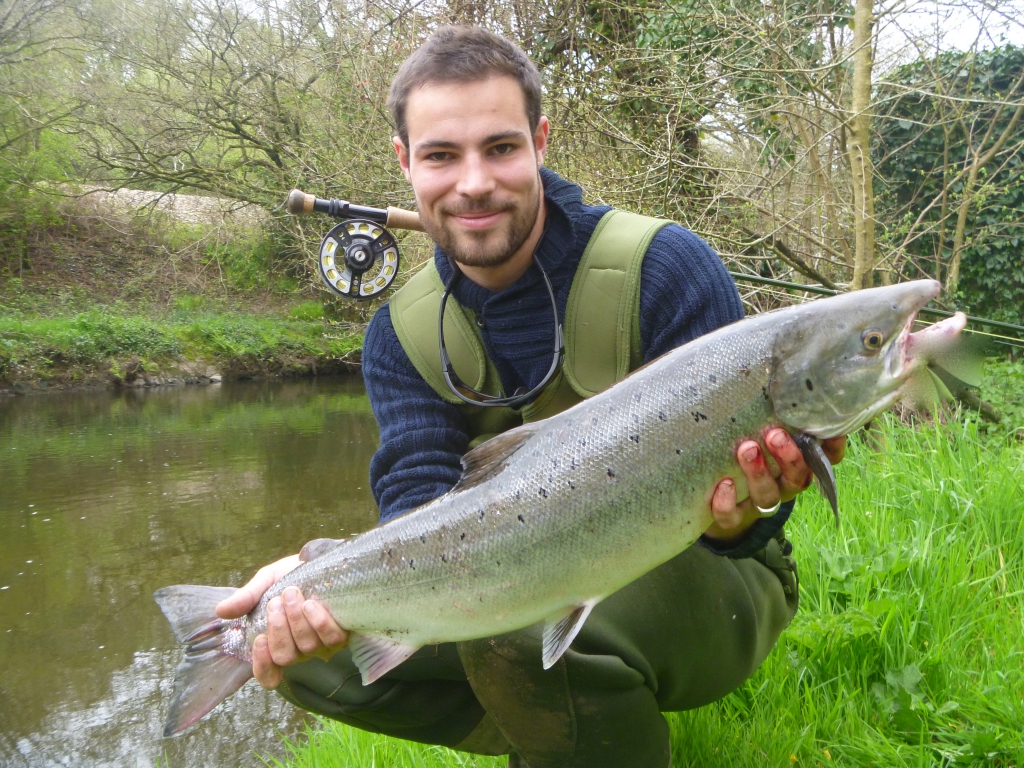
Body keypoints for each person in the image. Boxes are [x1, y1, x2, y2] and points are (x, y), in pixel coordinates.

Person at [216, 26, 846, 767]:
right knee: (293, 651)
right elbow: (417, 508)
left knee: (520, 628)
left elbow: (757, 516)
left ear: (540, 143)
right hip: (506, 568)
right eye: (441, 156)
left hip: (719, 572)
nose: (474, 182)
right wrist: (308, 577)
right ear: (404, 162)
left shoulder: (664, 266)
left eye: (500, 148)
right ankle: (565, 732)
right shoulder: (399, 335)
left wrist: (745, 513)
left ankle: (573, 718)